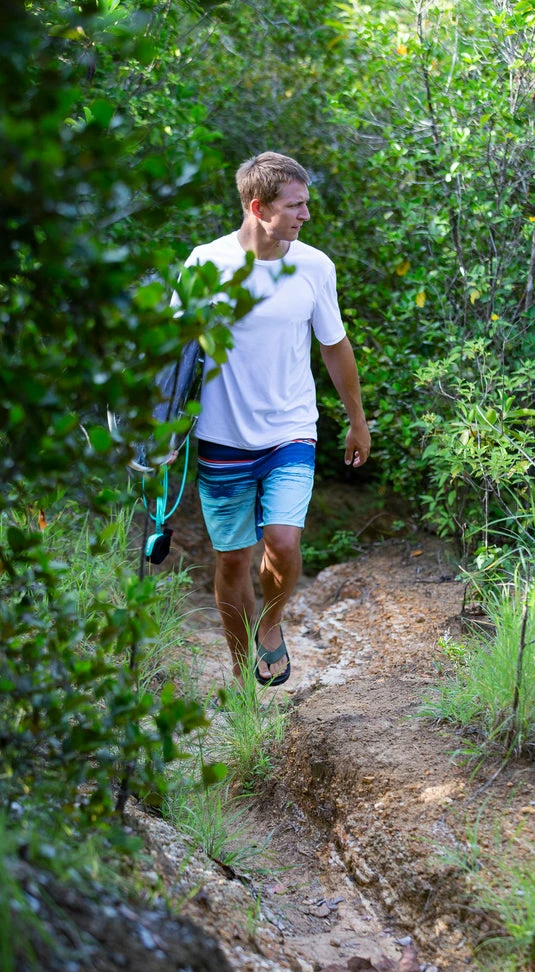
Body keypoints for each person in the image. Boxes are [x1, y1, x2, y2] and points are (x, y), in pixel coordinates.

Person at [182, 152, 370, 687]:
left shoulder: (314, 266)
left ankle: (272, 625)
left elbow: (334, 347)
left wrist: (357, 421)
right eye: (295, 206)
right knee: (234, 563)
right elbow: (172, 355)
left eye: (306, 204)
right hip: (222, 436)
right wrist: (161, 434)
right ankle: (242, 681)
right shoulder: (206, 264)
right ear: (257, 206)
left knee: (283, 543)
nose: (305, 216)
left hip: (291, 430)